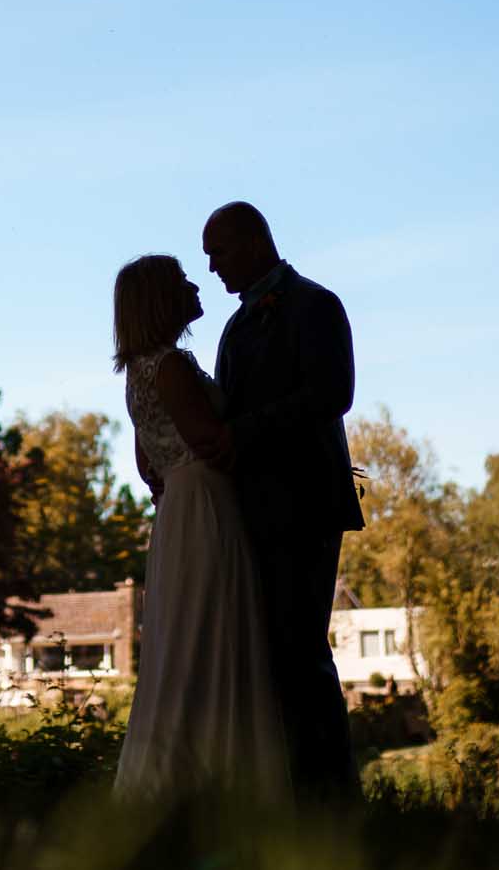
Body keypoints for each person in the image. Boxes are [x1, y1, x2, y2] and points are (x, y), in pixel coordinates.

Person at [111, 254, 288, 801]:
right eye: (182, 279)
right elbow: (210, 441)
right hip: (206, 505)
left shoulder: (139, 373)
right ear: (163, 299)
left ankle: (178, 776)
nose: (195, 283)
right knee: (215, 626)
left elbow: (147, 466)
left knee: (184, 634)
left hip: (176, 512)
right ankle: (222, 781)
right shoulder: (169, 367)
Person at [203, 201, 363, 804]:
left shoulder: (315, 305)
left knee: (300, 653)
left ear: (252, 241)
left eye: (218, 252)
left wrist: (241, 435)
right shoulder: (236, 325)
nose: (213, 268)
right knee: (270, 658)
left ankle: (332, 798)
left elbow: (332, 393)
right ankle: (295, 795)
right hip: (251, 512)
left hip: (305, 506)